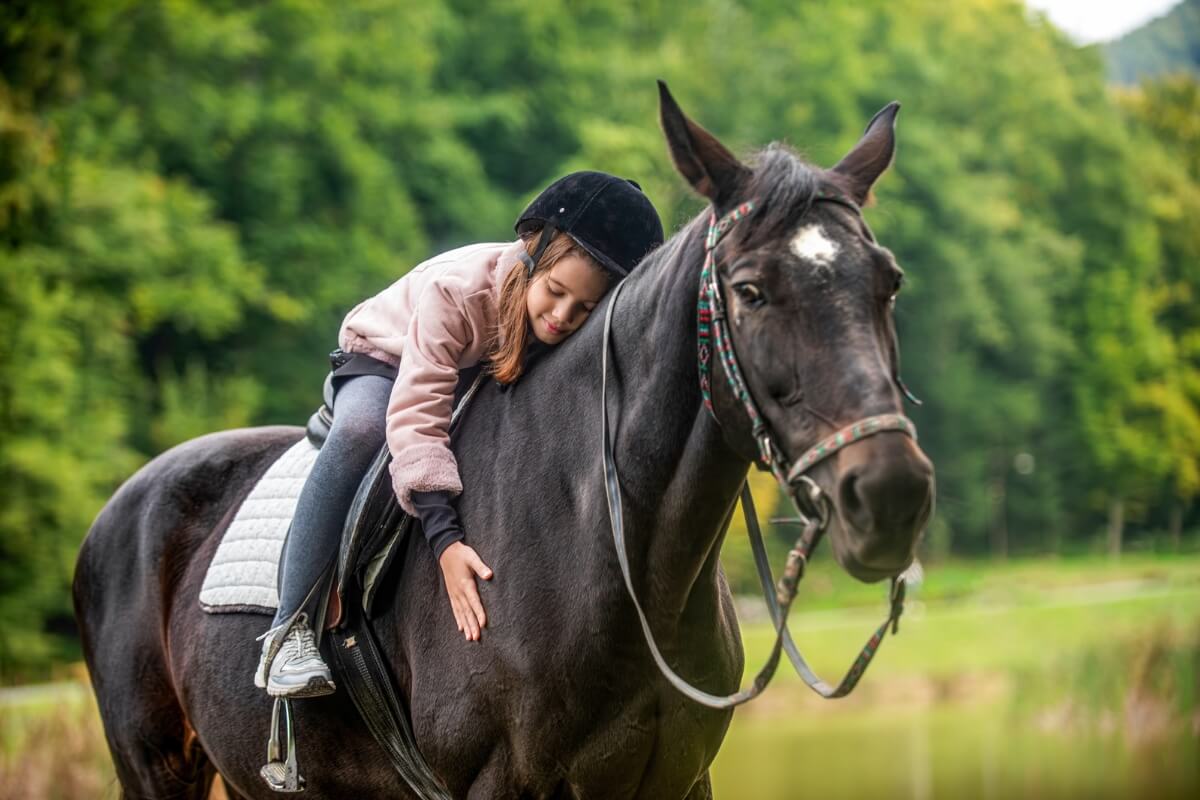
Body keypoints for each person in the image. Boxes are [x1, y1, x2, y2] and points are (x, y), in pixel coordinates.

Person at [254, 171, 665, 698]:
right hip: (390, 358)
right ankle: (288, 629)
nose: (563, 317)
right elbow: (418, 412)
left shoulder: (562, 320)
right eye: (556, 292)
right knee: (362, 429)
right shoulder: (459, 293)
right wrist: (445, 542)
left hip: (478, 365)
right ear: (531, 255)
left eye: (583, 308)